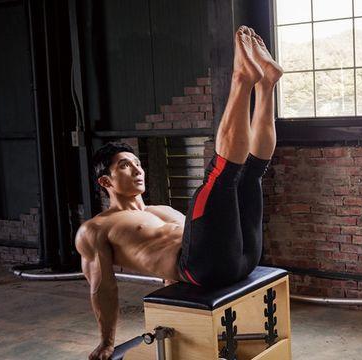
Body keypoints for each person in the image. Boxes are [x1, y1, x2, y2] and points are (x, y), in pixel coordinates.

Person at [74, 25, 283, 360]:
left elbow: (202, 241)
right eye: (125, 165)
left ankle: (266, 83)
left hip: (242, 256)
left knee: (250, 174)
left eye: (138, 162)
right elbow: (102, 287)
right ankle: (242, 79)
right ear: (105, 181)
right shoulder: (97, 228)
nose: (138, 169)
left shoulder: (160, 210)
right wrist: (107, 342)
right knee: (222, 176)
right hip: (205, 269)